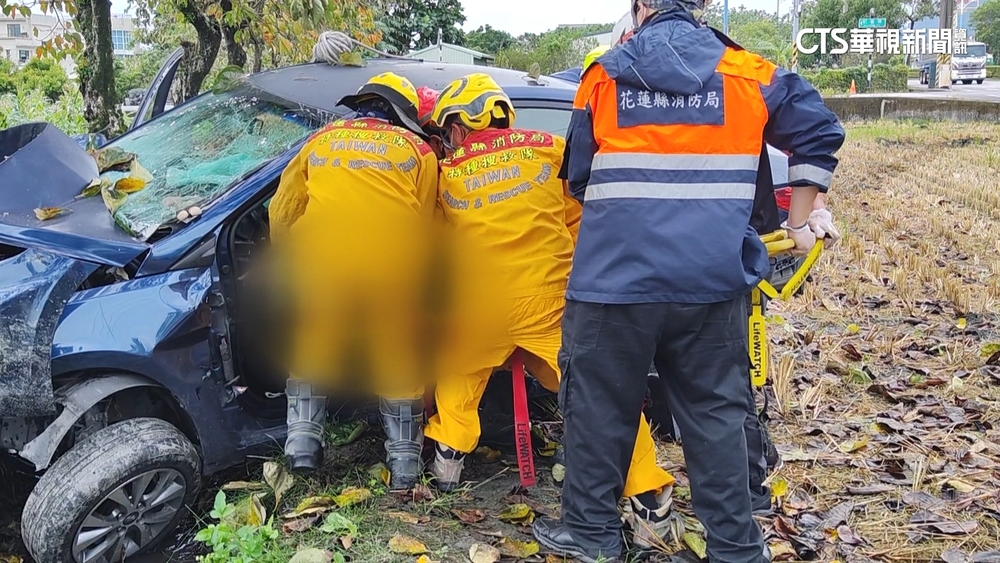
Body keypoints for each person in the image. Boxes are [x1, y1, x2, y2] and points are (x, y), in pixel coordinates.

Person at [530, 0, 845, 561]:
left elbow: (577, 177)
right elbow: (819, 130)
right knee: (717, 414)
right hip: (712, 282)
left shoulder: (602, 76)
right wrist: (798, 222)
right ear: (700, 5)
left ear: (642, 6)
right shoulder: (750, 75)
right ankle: (736, 548)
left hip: (613, 284)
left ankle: (592, 535)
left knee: (600, 408)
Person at [421, 73, 677, 546]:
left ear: (458, 126)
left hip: (482, 305)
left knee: (458, 374)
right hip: (550, 299)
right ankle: (650, 496)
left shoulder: (447, 171)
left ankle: (447, 462)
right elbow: (580, 218)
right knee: (596, 393)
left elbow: (436, 242)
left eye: (445, 133)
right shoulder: (549, 147)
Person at [268, 72, 439, 491]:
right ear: (400, 115)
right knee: (396, 354)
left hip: (324, 264)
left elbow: (281, 210)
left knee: (315, 342)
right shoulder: (419, 150)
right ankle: (404, 467)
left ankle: (303, 445)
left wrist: (291, 257)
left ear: (363, 104)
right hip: (390, 270)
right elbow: (425, 221)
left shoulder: (320, 141)